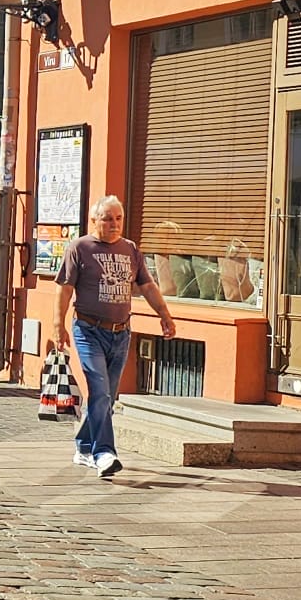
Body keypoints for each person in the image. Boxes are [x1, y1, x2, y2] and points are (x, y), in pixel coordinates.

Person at [56, 195, 177, 478]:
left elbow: (147, 285)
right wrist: (57, 325)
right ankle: (104, 454)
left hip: (120, 332)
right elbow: (64, 289)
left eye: (119, 218)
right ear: (95, 220)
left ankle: (84, 447)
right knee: (99, 390)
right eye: (108, 218)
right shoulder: (80, 248)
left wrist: (165, 315)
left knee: (106, 398)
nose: (114, 224)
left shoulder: (130, 249)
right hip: (88, 330)